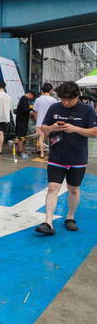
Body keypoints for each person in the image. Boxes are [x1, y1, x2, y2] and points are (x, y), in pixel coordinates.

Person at [36, 81, 97, 235]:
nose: (65, 102)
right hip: (57, 156)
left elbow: (95, 132)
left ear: (77, 96)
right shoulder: (54, 107)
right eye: (62, 99)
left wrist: (75, 128)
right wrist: (52, 128)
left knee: (74, 189)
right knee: (52, 187)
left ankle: (70, 217)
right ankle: (48, 222)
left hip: (78, 157)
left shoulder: (87, 110)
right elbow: (43, 128)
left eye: (68, 99)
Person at [33, 83, 57, 159]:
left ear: (42, 90)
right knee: (51, 138)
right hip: (50, 123)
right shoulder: (54, 100)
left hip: (39, 122)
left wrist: (37, 120)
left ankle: (42, 153)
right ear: (51, 90)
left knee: (41, 137)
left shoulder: (37, 99)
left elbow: (35, 112)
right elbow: (55, 112)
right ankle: (52, 153)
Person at [15, 90, 36, 155]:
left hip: (21, 120)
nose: (32, 98)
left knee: (21, 135)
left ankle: (20, 149)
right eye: (32, 97)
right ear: (30, 94)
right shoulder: (24, 99)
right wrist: (32, 108)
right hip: (22, 121)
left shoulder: (23, 99)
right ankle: (21, 150)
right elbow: (25, 109)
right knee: (21, 135)